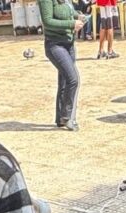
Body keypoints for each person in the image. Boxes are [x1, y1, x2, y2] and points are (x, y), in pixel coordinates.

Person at [40, 0, 85, 131]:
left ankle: (60, 118)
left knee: (65, 81)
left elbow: (68, 11)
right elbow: (47, 21)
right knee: (73, 79)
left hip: (69, 43)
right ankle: (67, 117)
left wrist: (78, 16)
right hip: (54, 44)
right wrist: (72, 24)